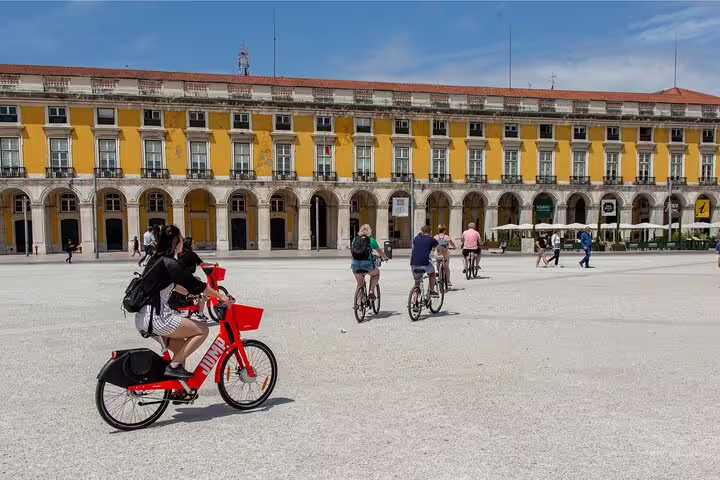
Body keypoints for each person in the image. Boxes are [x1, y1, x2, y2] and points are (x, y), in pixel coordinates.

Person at [134, 224, 229, 379]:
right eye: (181, 238)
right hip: (158, 318)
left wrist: (194, 297)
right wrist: (220, 296)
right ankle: (173, 366)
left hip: (143, 318)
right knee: (203, 330)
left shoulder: (156, 260)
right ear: (175, 242)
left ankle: (180, 390)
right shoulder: (170, 263)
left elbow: (178, 286)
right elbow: (196, 285)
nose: (183, 241)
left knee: (180, 350)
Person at [350, 224, 388, 299]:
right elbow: (380, 251)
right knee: (376, 274)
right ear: (369, 231)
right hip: (367, 265)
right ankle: (371, 292)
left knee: (360, 284)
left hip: (355, 264)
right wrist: (385, 258)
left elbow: (352, 251)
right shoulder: (371, 240)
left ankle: (359, 303)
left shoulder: (355, 239)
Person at [176, 237, 209, 320]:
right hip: (187, 279)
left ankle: (193, 310)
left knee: (197, 281)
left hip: (179, 279)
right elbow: (202, 264)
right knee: (202, 294)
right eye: (194, 243)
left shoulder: (180, 254)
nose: (195, 244)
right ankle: (200, 314)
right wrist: (214, 265)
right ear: (190, 245)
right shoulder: (192, 254)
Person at [411, 224, 439, 296]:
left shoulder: (416, 238)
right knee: (432, 273)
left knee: (417, 282)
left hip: (413, 263)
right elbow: (440, 249)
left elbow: (413, 249)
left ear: (422, 231)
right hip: (424, 263)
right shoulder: (431, 239)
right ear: (430, 232)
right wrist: (444, 256)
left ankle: (416, 300)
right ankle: (432, 291)